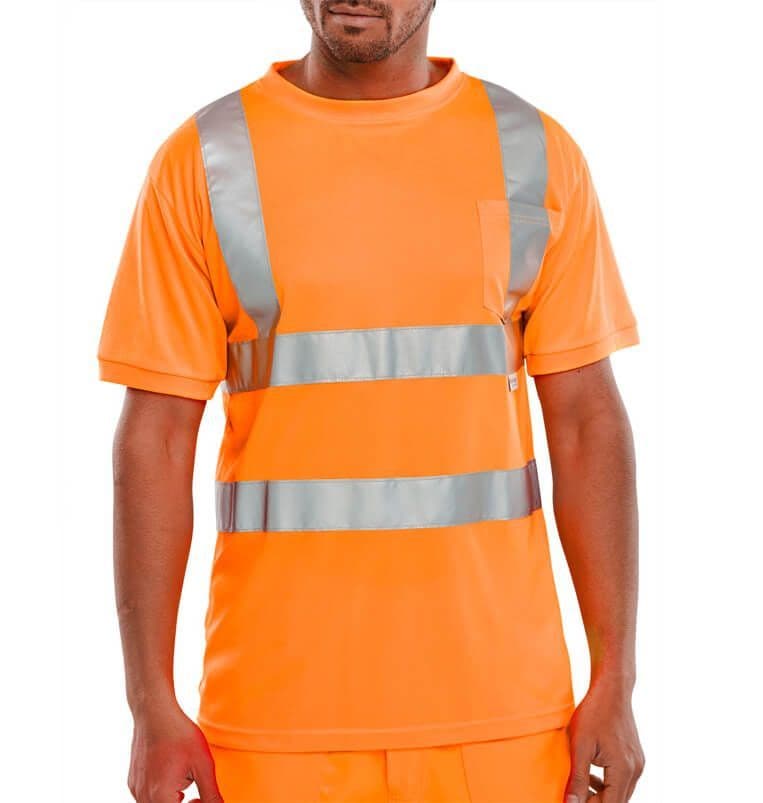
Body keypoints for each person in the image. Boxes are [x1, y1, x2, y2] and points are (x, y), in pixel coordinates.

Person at [97, 1, 645, 800]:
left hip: (503, 716)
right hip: (275, 720)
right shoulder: (206, 160)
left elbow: (586, 421)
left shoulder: (532, 152)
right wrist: (149, 703)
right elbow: (156, 438)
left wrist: (614, 678)